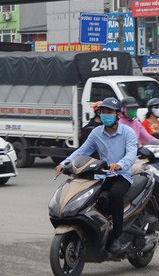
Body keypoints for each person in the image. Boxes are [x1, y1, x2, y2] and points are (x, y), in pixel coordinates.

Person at [55, 97, 137, 254]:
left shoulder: (128, 132)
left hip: (121, 175)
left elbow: (132, 153)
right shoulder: (96, 133)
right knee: (92, 197)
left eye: (110, 112)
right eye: (103, 112)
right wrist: (64, 164)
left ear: (118, 115)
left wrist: (120, 164)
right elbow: (82, 151)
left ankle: (116, 237)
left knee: (114, 195)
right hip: (102, 176)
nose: (106, 115)